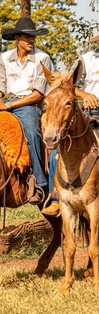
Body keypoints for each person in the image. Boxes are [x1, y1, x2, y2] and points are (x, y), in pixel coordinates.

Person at [0, 17, 55, 206]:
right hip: (6, 102)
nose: (31, 40)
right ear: (17, 37)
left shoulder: (43, 59)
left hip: (29, 105)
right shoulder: (4, 59)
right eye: (27, 37)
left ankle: (40, 183)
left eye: (33, 37)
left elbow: (38, 94)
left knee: (32, 132)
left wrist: (8, 106)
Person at [42, 32, 99, 216]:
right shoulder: (87, 60)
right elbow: (69, 87)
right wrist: (86, 96)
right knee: (56, 152)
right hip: (89, 114)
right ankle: (57, 196)